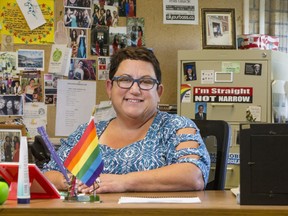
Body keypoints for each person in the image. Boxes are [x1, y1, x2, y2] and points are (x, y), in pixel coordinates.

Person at [42, 47, 210, 193]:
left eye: (145, 82)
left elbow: (193, 174)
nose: (135, 90)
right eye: (125, 80)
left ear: (158, 92)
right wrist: (73, 182)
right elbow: (48, 175)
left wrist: (122, 182)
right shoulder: (87, 132)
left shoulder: (177, 127)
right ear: (109, 88)